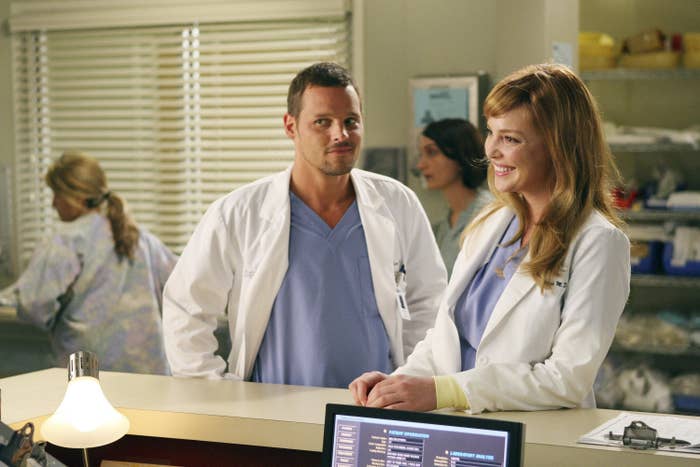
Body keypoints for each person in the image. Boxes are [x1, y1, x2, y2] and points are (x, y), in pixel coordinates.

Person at [350, 63, 631, 413]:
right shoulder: (490, 224)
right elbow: (444, 341)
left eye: (510, 138)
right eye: (491, 132)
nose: (491, 150)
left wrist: (445, 392)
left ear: (559, 147)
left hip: (533, 442)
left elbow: (567, 379)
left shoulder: (598, 243)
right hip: (461, 432)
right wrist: (397, 385)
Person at [162, 62, 447, 387]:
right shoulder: (238, 213)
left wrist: (409, 380)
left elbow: (429, 303)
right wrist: (216, 391)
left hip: (371, 410)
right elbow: (187, 308)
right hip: (271, 412)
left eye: (350, 121)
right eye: (322, 122)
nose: (340, 134)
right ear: (290, 126)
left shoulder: (398, 203)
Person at [0, 151, 176, 374]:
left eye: (57, 194)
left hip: (92, 375)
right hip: (150, 374)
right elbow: (181, 288)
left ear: (78, 197)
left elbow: (35, 307)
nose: (54, 204)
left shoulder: (65, 242)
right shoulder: (141, 238)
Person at [416, 118, 492, 275]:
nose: (421, 165)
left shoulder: (491, 214)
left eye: (431, 152)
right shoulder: (441, 228)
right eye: (421, 154)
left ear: (459, 156)